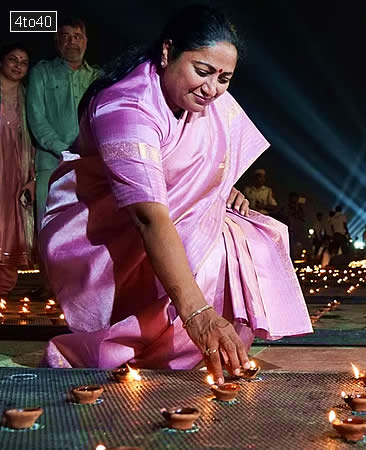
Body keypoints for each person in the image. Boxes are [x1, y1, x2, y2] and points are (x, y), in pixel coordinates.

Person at [37, 6, 312, 383]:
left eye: (225, 78)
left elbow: (200, 164)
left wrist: (219, 191)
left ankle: (205, 350)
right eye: (202, 71)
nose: (212, 88)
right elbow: (149, 216)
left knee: (246, 237)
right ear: (167, 52)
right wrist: (198, 314)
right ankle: (156, 346)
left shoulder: (204, 101)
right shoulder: (127, 106)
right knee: (210, 251)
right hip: (104, 230)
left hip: (160, 217)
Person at [27, 16, 100, 225]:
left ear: (86, 41)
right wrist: (64, 150)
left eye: (77, 36)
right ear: (56, 41)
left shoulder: (98, 76)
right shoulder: (41, 72)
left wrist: (85, 152)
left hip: (89, 164)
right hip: (51, 164)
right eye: (65, 37)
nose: (72, 42)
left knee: (84, 230)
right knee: (48, 226)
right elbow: (36, 118)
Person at [0, 43, 34, 296]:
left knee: (11, 226)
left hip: (16, 172)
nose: (18, 65)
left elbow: (32, 140)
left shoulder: (28, 97)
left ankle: (3, 288)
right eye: (13, 59)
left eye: (23, 62)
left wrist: (31, 179)